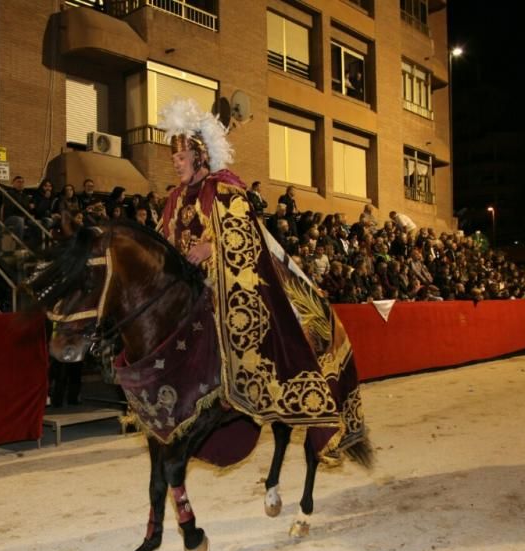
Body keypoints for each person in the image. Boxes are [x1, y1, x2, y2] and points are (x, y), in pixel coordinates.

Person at [155, 97, 367, 462]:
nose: (175, 164)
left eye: (180, 157)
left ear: (200, 156)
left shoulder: (223, 189)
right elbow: (162, 244)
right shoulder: (174, 199)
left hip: (222, 286)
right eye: (173, 158)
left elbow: (245, 237)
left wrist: (211, 247)